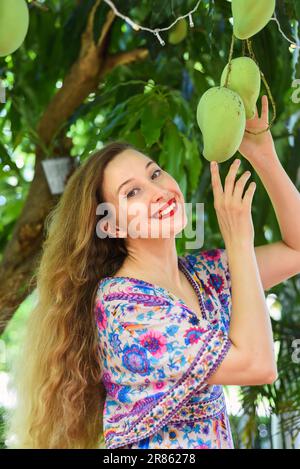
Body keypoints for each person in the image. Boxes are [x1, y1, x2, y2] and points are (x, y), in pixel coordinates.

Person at [8, 96, 300, 449]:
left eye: (156, 173)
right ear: (111, 225)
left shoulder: (202, 275)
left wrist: (263, 155)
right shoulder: (123, 309)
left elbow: (296, 250)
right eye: (132, 192)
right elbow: (258, 365)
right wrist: (238, 238)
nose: (159, 191)